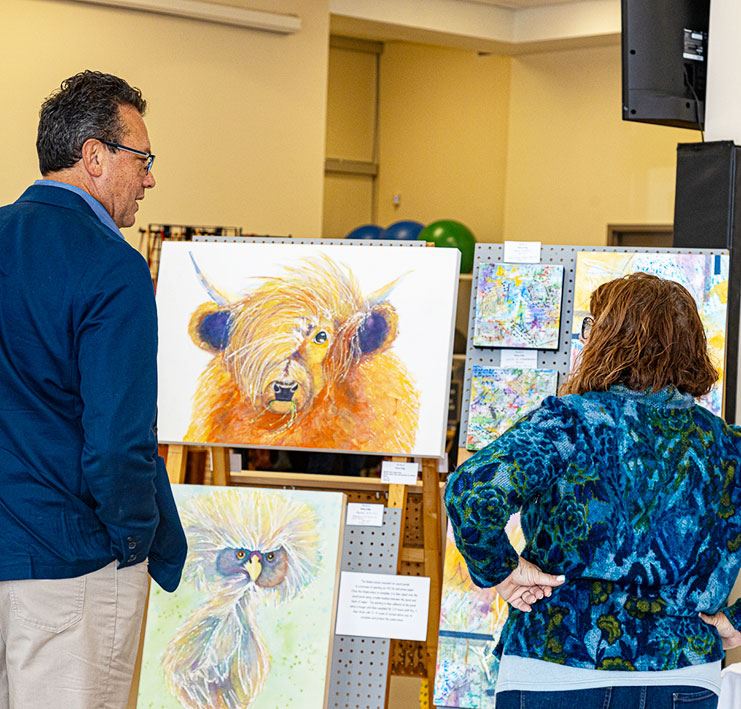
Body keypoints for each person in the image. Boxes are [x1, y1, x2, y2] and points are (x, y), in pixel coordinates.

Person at [446, 272, 741, 709]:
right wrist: (734, 621)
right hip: (683, 671)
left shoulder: (570, 423)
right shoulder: (726, 446)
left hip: (555, 662)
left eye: (591, 327)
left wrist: (504, 572)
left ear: (608, 340)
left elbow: (471, 492)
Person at [0, 71, 187, 708]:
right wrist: (136, 543)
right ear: (94, 156)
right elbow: (117, 443)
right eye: (143, 159)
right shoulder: (112, 265)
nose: (150, 179)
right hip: (72, 567)